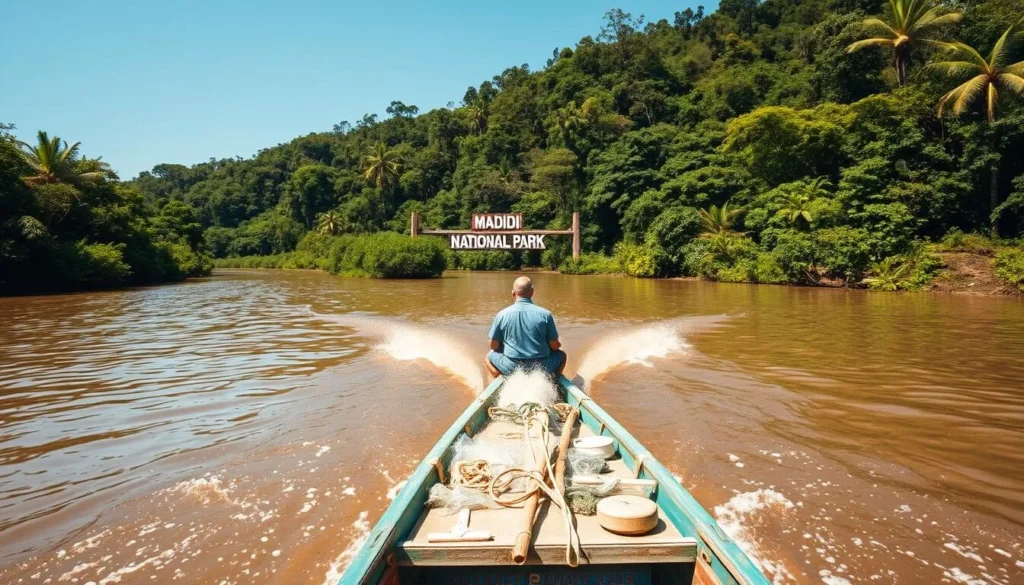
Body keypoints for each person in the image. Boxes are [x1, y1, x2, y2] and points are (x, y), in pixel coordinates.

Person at [485, 276, 567, 378]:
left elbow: (493, 346)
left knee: (489, 357)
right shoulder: (545, 314)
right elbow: (554, 346)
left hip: (511, 367)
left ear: (513, 293)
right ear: (532, 292)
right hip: (541, 366)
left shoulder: (501, 315)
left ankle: (498, 376)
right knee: (562, 355)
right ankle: (553, 380)